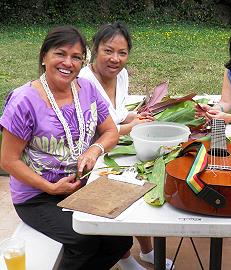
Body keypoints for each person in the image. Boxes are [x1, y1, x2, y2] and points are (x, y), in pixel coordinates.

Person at [0, 26, 133, 270]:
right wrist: (50, 188)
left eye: (76, 57)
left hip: (80, 187)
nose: (68, 63)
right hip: (36, 196)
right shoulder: (23, 101)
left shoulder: (88, 89)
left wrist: (94, 151)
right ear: (44, 56)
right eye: (60, 54)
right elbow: (8, 161)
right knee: (83, 241)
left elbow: (111, 131)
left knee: (120, 238)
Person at [79, 22, 173, 270]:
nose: (115, 59)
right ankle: (124, 257)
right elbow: (95, 129)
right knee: (121, 191)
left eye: (122, 53)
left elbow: (116, 114)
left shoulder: (121, 75)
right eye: (108, 51)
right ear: (94, 49)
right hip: (90, 153)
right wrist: (131, 128)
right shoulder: (84, 82)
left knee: (142, 181)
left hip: (114, 142)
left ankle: (148, 250)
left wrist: (134, 118)